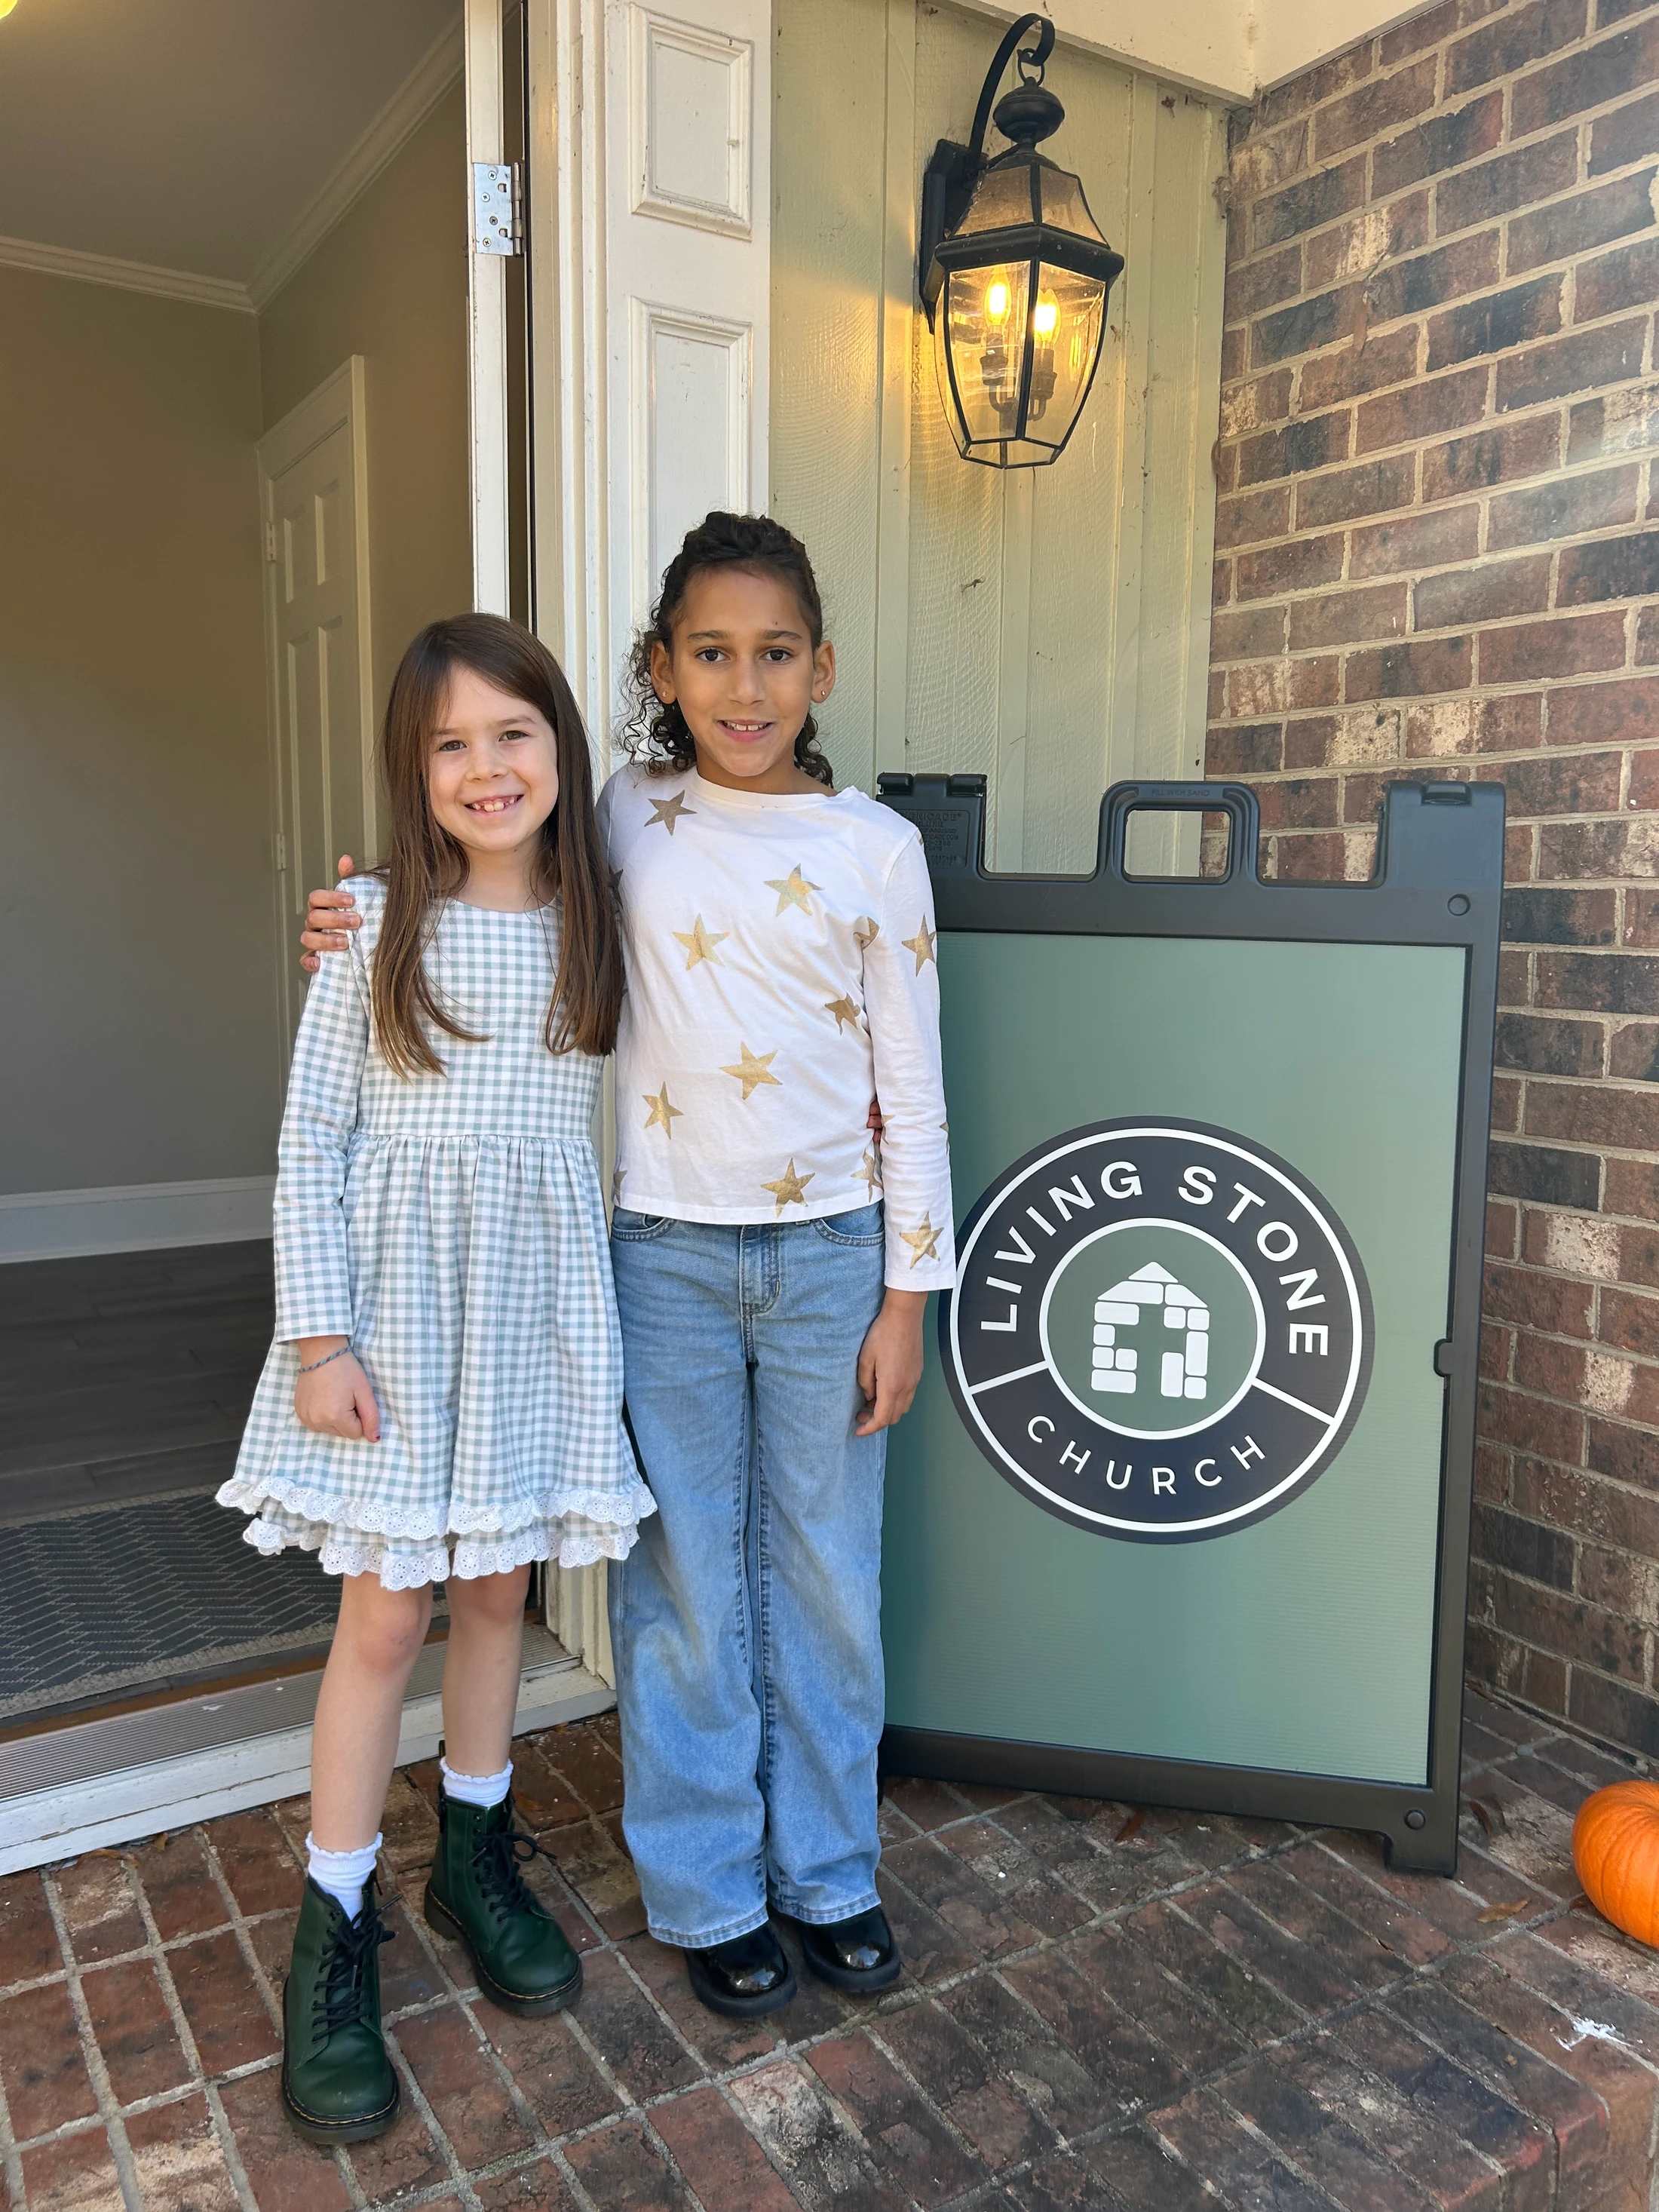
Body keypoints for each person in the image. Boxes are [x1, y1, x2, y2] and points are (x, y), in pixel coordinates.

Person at [303, 512, 955, 2023]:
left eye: (775, 653)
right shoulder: (621, 815)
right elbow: (484, 870)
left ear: (821, 668)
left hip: (832, 1258)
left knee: (827, 1572)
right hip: (658, 1256)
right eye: (710, 652)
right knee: (686, 1583)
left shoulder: (874, 848)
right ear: (660, 668)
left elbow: (912, 1091)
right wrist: (357, 915)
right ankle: (709, 1886)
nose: (744, 684)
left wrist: (906, 1298)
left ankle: (829, 1871)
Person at [228, 615, 653, 2143]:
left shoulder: (603, 920)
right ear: (413, 773)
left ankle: (474, 1854)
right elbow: (310, 1146)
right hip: (395, 1326)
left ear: (561, 748)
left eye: (512, 733)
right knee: (384, 1615)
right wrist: (319, 1340)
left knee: (495, 1595)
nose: (486, 767)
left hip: (529, 1315)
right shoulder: (367, 925)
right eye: (449, 744)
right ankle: (334, 1918)